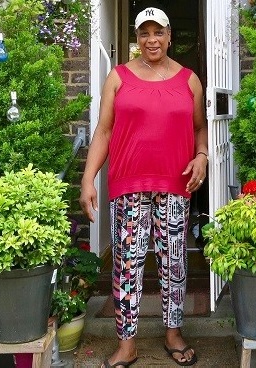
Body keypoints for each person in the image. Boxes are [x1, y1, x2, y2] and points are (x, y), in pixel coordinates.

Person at [79, 7, 207, 367]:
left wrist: (202, 155)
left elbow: (200, 127)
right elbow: (103, 130)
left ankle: (173, 333)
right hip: (128, 184)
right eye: (144, 33)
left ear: (169, 36)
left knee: (174, 263)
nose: (152, 40)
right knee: (127, 264)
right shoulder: (118, 76)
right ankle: (127, 344)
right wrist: (88, 178)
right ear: (137, 39)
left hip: (175, 184)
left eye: (158, 32)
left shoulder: (189, 80)